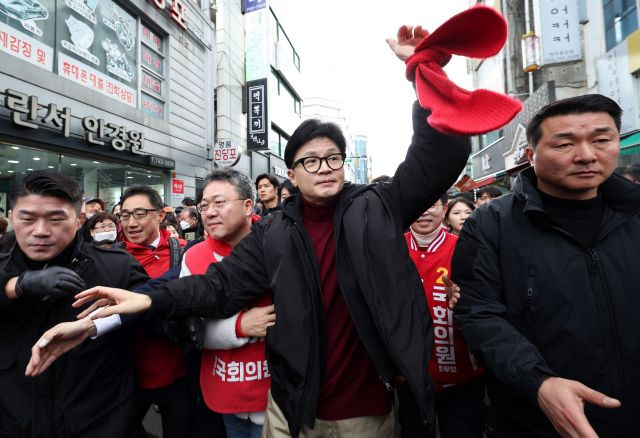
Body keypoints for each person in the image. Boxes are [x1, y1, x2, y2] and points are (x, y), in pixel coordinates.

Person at [31, 25, 472, 437]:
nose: (323, 167)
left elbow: (438, 158)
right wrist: (146, 299)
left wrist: (423, 74)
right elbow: (218, 286)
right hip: (291, 408)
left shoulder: (377, 206)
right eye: (310, 160)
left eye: (333, 157)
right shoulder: (275, 231)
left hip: (368, 410)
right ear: (291, 175)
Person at [451, 94, 640, 437]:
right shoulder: (491, 225)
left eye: (601, 140)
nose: (586, 155)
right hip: (534, 421)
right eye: (565, 143)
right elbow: (479, 314)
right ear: (529, 155)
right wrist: (538, 383)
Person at [0, 170, 148, 437]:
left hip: (101, 425)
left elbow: (154, 314)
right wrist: (16, 286)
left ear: (81, 219)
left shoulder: (117, 268)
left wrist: (103, 321)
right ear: (11, 218)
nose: (41, 231)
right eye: (27, 218)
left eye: (56, 219)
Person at [184, 169, 273, 438]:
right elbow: (188, 329)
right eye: (204, 205)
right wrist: (239, 327)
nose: (210, 212)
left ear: (248, 206)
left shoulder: (280, 242)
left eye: (220, 203)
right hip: (224, 393)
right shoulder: (193, 256)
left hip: (279, 397)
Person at [397, 193, 485, 438]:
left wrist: (466, 300)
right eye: (417, 205)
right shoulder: (391, 249)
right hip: (411, 381)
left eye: (432, 204)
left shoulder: (465, 248)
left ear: (444, 208)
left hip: (463, 381)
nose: (424, 212)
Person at [116, 185, 192, 438]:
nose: (131, 222)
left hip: (180, 372)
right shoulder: (110, 259)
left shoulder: (185, 252)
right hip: (127, 376)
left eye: (139, 213)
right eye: (125, 215)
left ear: (160, 216)